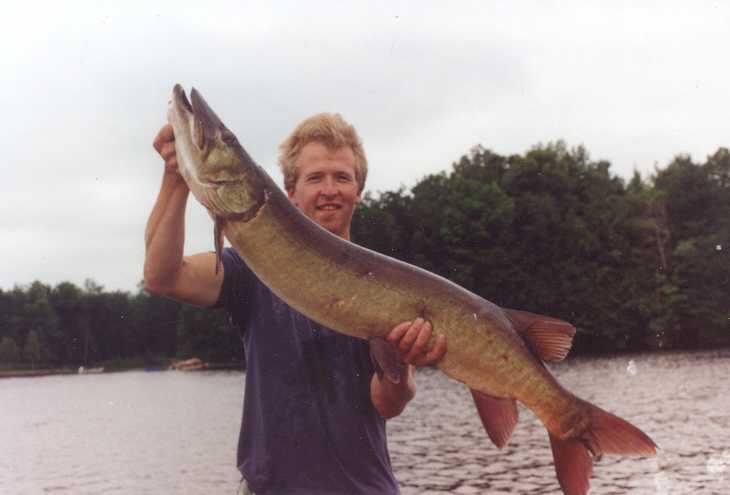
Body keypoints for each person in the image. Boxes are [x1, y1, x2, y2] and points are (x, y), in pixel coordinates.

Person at [144, 112, 447, 494]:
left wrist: (399, 368)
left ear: (358, 191)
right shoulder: (250, 269)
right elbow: (162, 275)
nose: (330, 189)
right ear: (290, 190)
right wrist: (177, 176)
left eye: (342, 177)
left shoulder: (385, 286)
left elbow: (388, 404)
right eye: (315, 177)